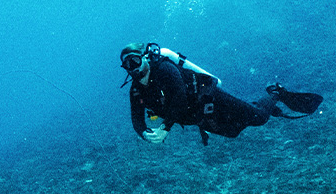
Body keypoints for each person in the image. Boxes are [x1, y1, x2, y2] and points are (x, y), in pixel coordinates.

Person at [120, 43, 323, 146]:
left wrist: (165, 128)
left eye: (135, 62)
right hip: (198, 115)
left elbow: (179, 98)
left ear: (145, 58)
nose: (133, 69)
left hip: (210, 97)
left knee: (259, 118)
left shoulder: (165, 70)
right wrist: (145, 134)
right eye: (127, 66)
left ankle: (275, 93)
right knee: (234, 131)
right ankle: (258, 105)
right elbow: (136, 118)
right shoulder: (136, 90)